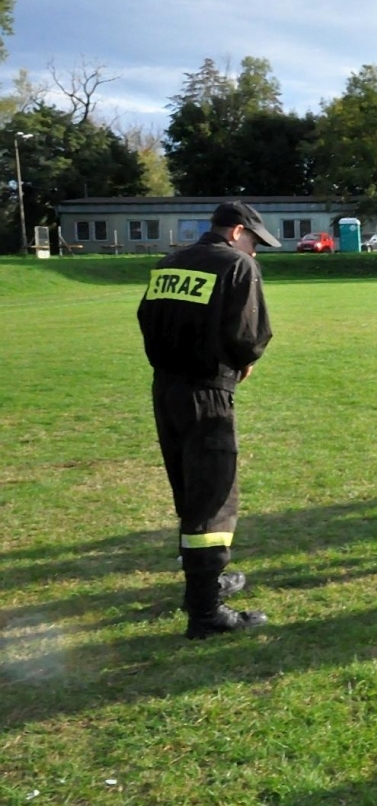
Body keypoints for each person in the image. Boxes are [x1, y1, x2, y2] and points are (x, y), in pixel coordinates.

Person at [136, 201, 276, 639]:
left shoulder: (169, 262)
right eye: (254, 242)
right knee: (214, 499)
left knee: (189, 491)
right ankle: (207, 613)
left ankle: (205, 583)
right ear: (237, 232)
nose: (254, 252)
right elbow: (249, 335)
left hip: (166, 389)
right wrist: (241, 363)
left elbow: (146, 318)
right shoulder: (237, 266)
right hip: (209, 392)